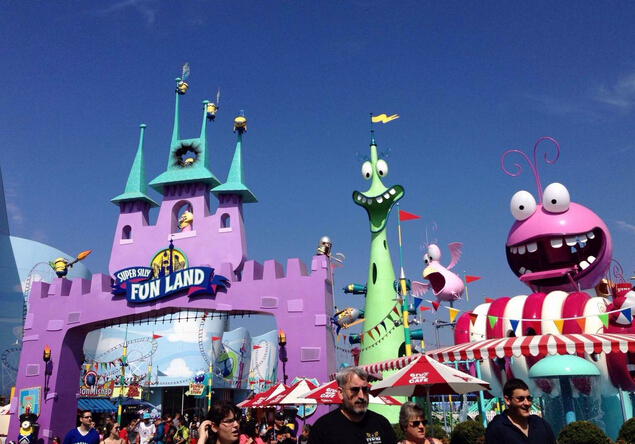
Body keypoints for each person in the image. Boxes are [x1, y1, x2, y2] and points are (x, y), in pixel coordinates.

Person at [307, 366, 397, 444]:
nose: (361, 396)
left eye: (365, 389)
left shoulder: (381, 424)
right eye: (355, 390)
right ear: (341, 393)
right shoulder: (323, 428)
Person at [484, 378, 557, 444]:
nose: (526, 403)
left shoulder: (541, 424)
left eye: (529, 398)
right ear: (507, 400)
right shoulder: (496, 429)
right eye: (520, 399)